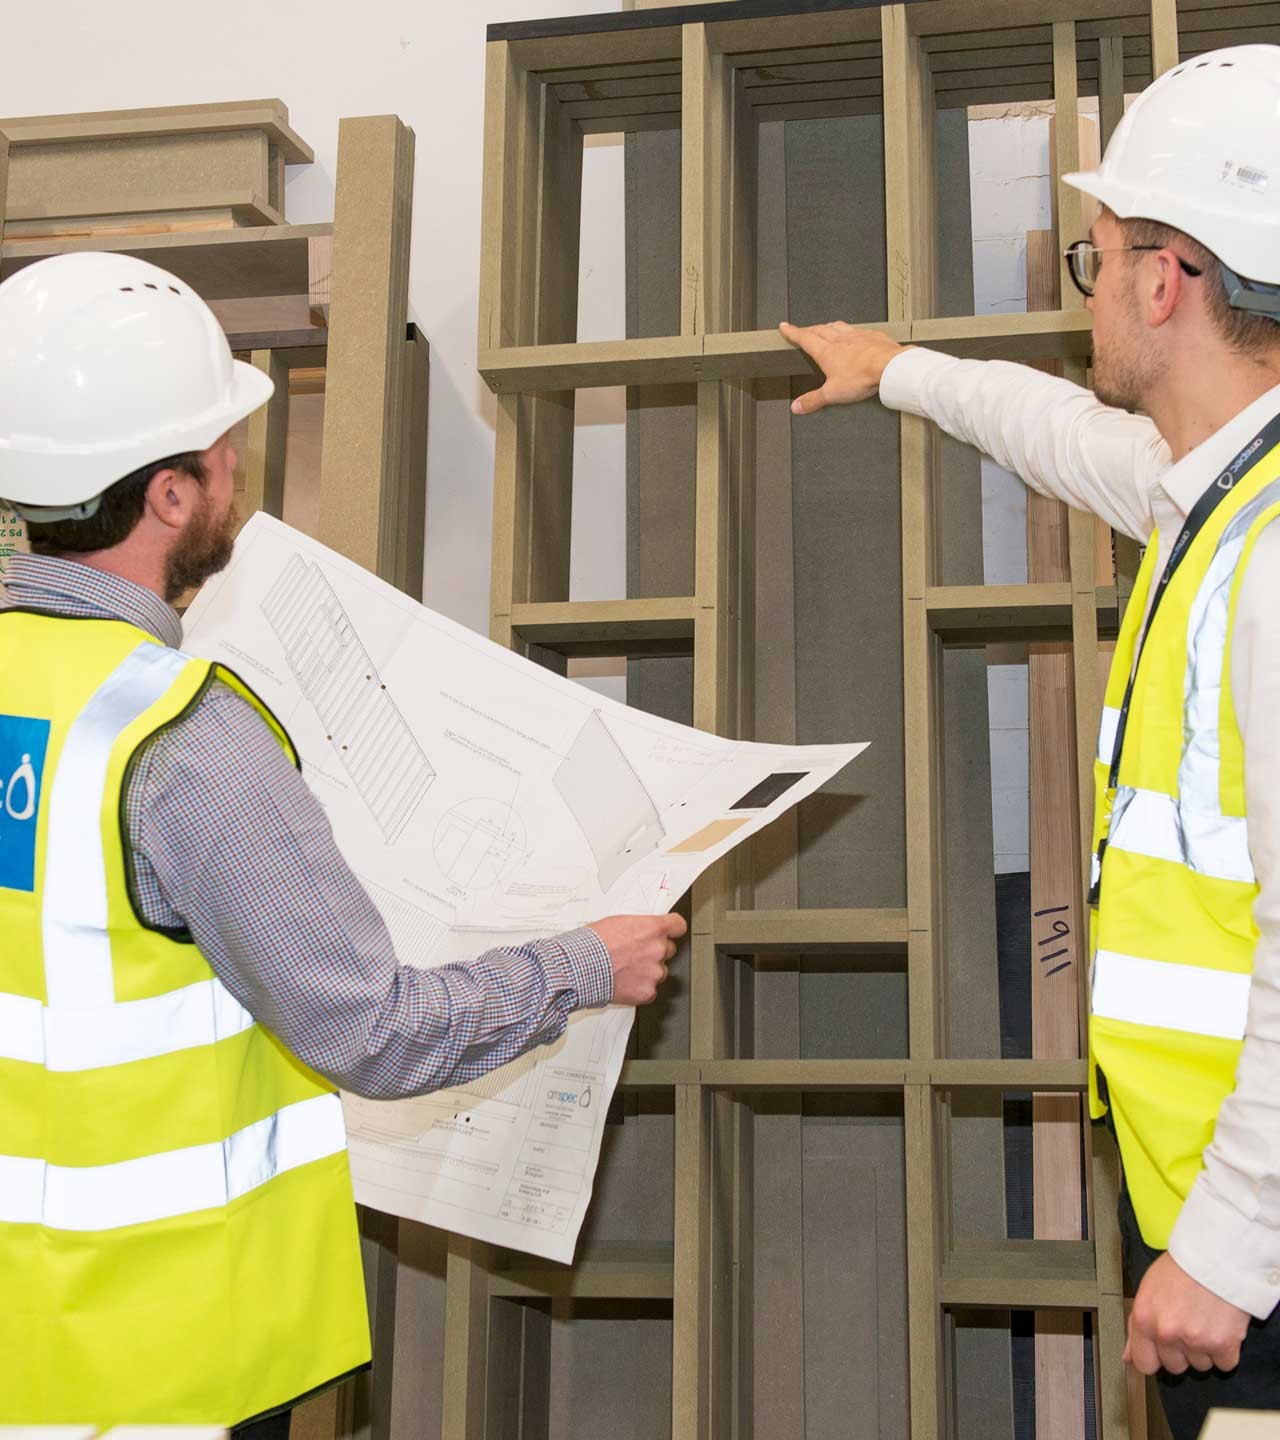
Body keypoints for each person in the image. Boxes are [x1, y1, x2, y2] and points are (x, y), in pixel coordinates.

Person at [0, 250, 685, 1435]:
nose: (236, 477)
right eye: (221, 455)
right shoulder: (181, 737)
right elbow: (370, 1030)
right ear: (168, 496)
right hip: (148, 1361)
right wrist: (586, 964)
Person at [781, 43, 1280, 1439]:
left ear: (1168, 277)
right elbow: (1070, 437)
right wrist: (899, 373)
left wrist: (1229, 1248)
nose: (1092, 283)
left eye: (1098, 251)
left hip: (1256, 1256)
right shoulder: (1217, 497)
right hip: (1224, 1213)